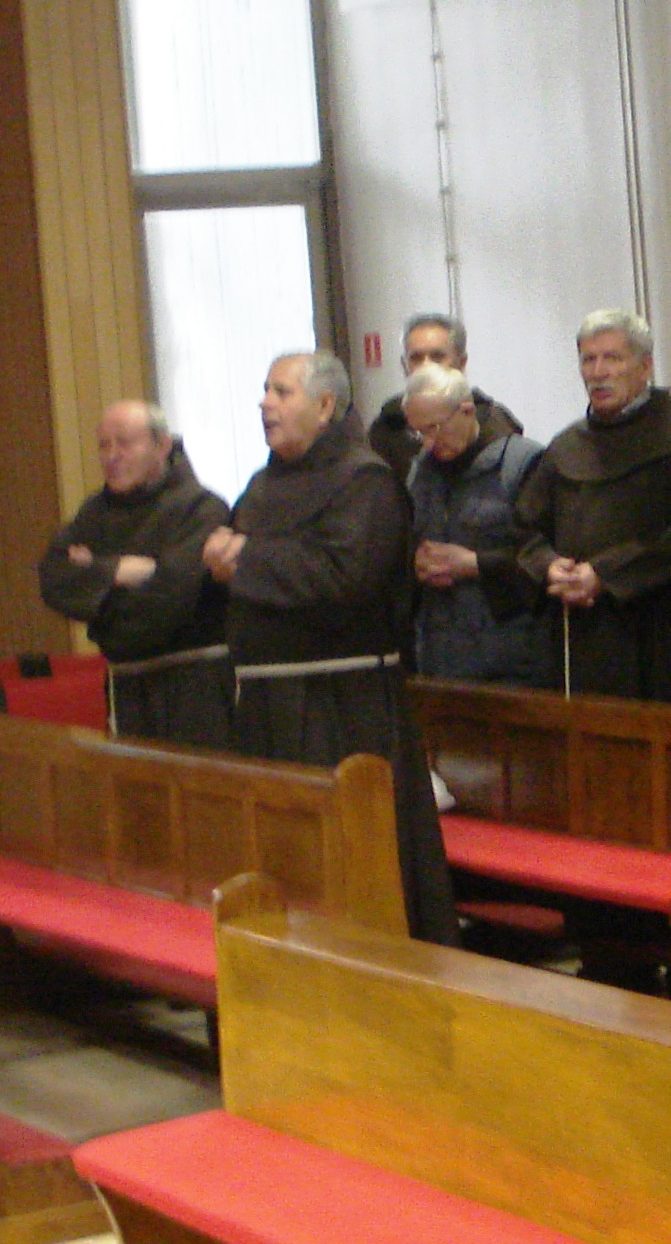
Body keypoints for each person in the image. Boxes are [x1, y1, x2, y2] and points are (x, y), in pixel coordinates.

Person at [203, 352, 456, 945]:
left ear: (324, 406)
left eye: (281, 391)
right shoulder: (262, 484)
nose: (265, 402)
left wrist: (245, 560)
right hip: (266, 704)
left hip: (342, 705)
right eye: (265, 390)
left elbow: (345, 575)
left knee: (357, 862)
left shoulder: (365, 481)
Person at [514, 309, 671, 705]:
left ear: (645, 365)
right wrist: (548, 566)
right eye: (588, 359)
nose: (598, 372)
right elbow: (525, 528)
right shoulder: (564, 447)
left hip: (663, 637)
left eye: (612, 358)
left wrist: (605, 574)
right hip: (584, 637)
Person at [37, 400, 233, 748]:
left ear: (162, 445)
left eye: (124, 443)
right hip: (126, 690)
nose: (111, 456)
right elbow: (53, 578)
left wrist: (96, 599)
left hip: (195, 690)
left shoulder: (202, 508)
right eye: (103, 445)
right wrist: (114, 571)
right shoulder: (94, 513)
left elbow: (166, 605)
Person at [403, 364, 548, 684]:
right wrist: (416, 561)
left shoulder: (523, 463)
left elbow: (545, 559)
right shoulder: (421, 472)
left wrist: (475, 564)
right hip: (438, 657)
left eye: (434, 428)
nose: (427, 443)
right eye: (418, 432)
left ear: (467, 411)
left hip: (512, 660)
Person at [365, 313, 523, 477]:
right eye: (416, 358)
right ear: (404, 366)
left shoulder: (496, 427)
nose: (426, 366)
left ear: (461, 363)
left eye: (437, 357)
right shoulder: (388, 429)